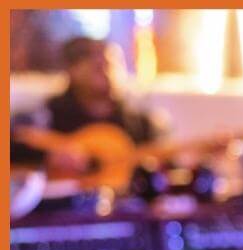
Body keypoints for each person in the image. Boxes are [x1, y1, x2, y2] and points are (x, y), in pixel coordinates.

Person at [10, 36, 164, 176]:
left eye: (112, 66)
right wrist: (47, 157)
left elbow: (159, 164)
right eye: (98, 67)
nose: (108, 73)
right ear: (72, 70)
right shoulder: (47, 116)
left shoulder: (139, 123)